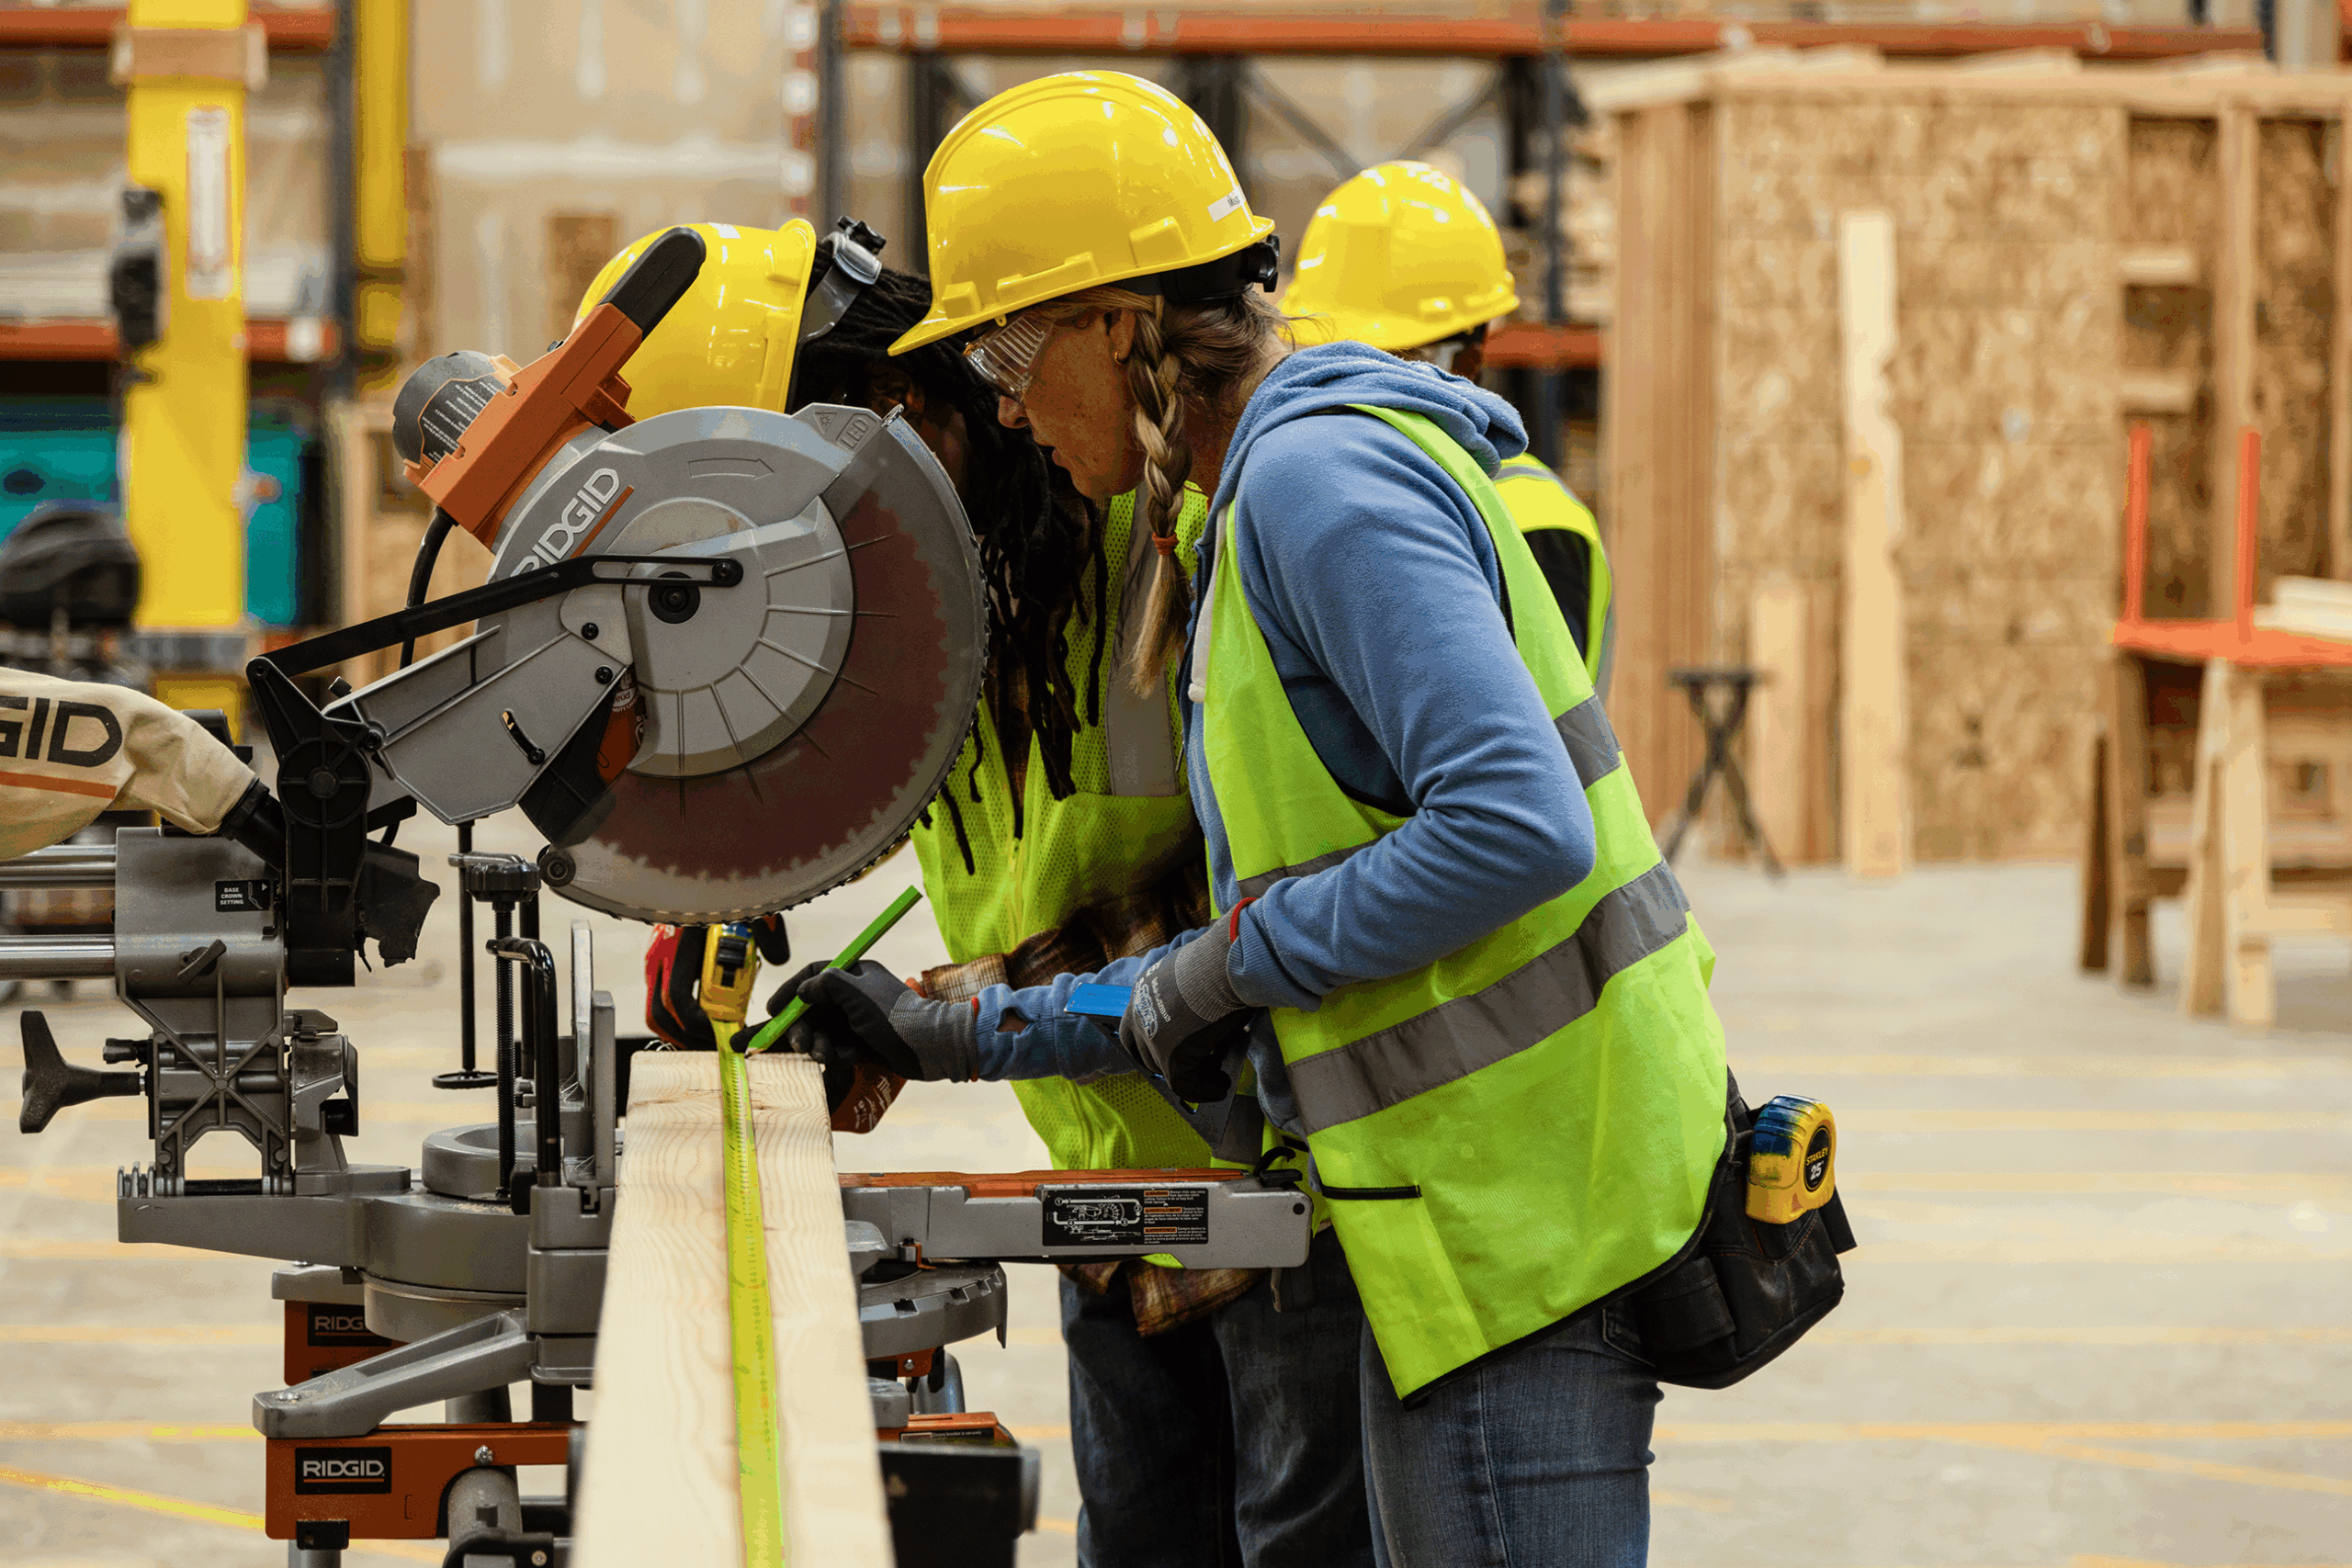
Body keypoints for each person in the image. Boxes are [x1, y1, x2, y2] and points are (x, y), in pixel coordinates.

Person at [780, 73, 1730, 1567]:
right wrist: (968, 1023)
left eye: (1012, 349)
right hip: (1452, 1198)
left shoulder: (1313, 484)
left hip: (1528, 1200)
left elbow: (1515, 826)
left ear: (1124, 320)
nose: (1006, 400)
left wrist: (1233, 969)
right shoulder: (1223, 509)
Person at [578, 219, 1374, 1568]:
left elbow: (1253, 907)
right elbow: (888, 778)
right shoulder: (935, 578)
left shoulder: (1156, 526)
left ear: (880, 413)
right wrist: (732, 876)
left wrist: (937, 1016)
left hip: (1287, 1188)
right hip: (1107, 1181)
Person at [1281, 159, 1615, 699]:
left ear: (1469, 358)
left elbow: (1515, 740)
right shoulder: (1290, 488)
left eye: (1386, 364)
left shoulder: (1531, 521)